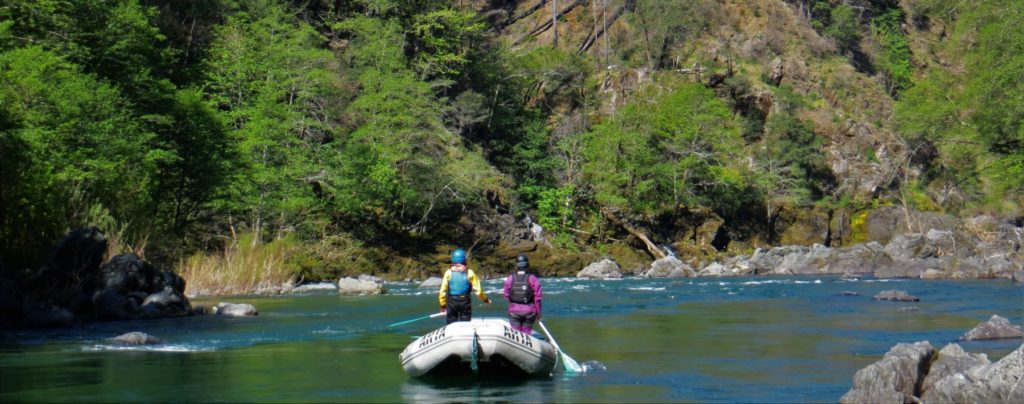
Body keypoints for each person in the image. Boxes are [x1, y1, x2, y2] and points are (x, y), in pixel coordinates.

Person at [438, 248, 491, 324]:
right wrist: (486, 299)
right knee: (465, 324)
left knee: (451, 324)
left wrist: (442, 305)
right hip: (465, 302)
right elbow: (478, 291)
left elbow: (442, 292)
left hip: (452, 302)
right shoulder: (470, 273)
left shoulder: (448, 273)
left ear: (453, 260)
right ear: (464, 260)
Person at [502, 254, 542, 334]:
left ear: (517, 266)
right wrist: (538, 313)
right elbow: (538, 298)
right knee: (526, 333)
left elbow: (506, 295)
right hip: (529, 312)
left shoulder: (510, 278)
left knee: (516, 334)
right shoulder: (533, 279)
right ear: (527, 265)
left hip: (514, 311)